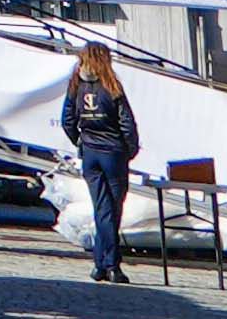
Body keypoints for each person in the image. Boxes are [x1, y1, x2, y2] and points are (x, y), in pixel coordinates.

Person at [60, 43, 139, 284]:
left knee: (101, 208)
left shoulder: (77, 85)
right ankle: (112, 265)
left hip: (90, 153)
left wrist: (80, 141)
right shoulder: (111, 85)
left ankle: (100, 265)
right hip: (112, 153)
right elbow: (127, 122)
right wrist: (130, 150)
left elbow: (67, 119)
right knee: (112, 210)